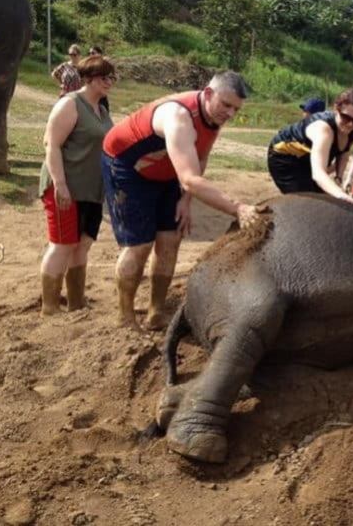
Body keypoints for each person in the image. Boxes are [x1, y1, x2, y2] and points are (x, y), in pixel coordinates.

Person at [102, 71, 258, 330]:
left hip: (168, 171)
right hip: (128, 168)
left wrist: (186, 201)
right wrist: (238, 208)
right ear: (208, 94)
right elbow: (188, 178)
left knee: (170, 239)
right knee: (139, 245)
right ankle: (125, 317)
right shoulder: (179, 117)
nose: (230, 114)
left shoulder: (214, 118)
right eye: (226, 105)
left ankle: (156, 312)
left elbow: (200, 158)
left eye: (236, 109)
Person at [38, 55, 116, 316]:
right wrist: (60, 184)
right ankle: (49, 306)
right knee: (62, 244)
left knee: (82, 244)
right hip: (65, 186)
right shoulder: (70, 105)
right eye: (105, 77)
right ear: (90, 79)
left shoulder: (102, 111)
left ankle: (76, 301)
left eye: (112, 77)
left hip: (91, 189)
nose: (110, 82)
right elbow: (52, 144)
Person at [267, 89, 353, 203]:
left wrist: (339, 177)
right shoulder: (323, 130)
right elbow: (318, 174)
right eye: (346, 117)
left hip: (308, 156)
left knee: (325, 196)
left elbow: (344, 151)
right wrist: (340, 195)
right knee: (309, 201)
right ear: (336, 109)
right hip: (285, 158)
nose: (350, 124)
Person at [88, 46, 110, 113]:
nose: (91, 55)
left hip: (101, 96)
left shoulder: (105, 65)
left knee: (104, 117)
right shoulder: (89, 66)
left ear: (100, 54)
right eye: (89, 53)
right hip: (91, 95)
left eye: (93, 53)